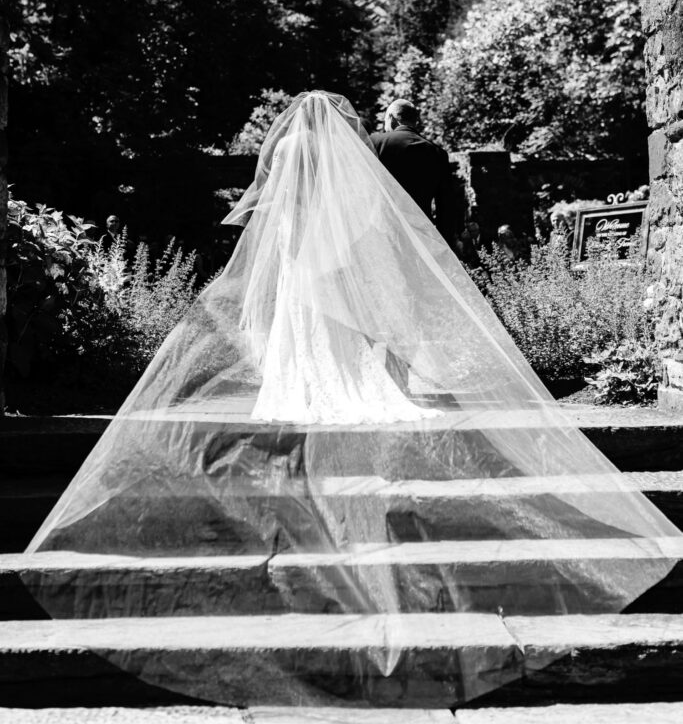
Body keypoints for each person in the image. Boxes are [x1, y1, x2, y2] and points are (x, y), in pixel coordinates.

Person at [23, 91, 682, 712]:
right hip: (332, 267)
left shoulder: (282, 156)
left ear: (290, 124)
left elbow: (271, 214)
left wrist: (291, 262)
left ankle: (300, 385)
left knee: (300, 349)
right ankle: (339, 384)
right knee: (343, 351)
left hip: (296, 265)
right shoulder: (350, 159)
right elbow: (365, 215)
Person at [370, 99, 456, 245]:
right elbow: (446, 204)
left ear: (391, 118)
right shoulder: (437, 153)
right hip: (420, 236)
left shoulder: (376, 143)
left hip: (383, 233)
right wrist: (444, 242)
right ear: (415, 121)